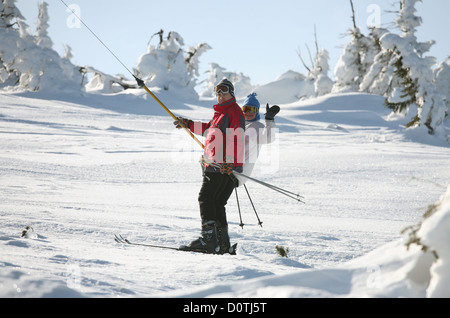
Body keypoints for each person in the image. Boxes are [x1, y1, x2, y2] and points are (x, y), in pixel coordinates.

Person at [173, 79, 245, 254]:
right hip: (219, 163)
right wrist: (188, 124)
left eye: (224, 92)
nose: (220, 95)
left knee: (205, 198)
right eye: (218, 92)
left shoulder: (233, 111)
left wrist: (229, 161)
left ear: (231, 94)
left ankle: (208, 240)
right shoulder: (221, 113)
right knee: (217, 202)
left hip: (222, 165)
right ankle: (222, 244)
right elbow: (209, 129)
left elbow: (237, 137)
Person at [240, 93, 280, 183]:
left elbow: (268, 138)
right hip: (229, 166)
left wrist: (269, 120)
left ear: (257, 111)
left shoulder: (257, 126)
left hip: (241, 170)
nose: (248, 113)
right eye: (245, 109)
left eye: (252, 110)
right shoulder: (240, 125)